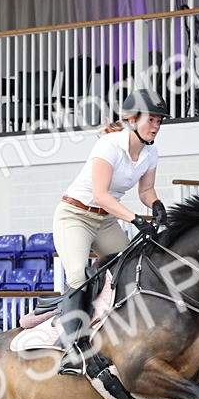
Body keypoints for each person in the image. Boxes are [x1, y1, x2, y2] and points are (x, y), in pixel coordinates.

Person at [52, 89, 171, 374]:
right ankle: (71, 347)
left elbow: (146, 190)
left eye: (159, 121)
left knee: (132, 268)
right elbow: (101, 194)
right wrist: (134, 220)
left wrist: (156, 205)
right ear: (132, 120)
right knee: (79, 275)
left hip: (104, 219)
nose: (156, 126)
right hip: (75, 215)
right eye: (151, 120)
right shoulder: (109, 145)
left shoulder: (150, 152)